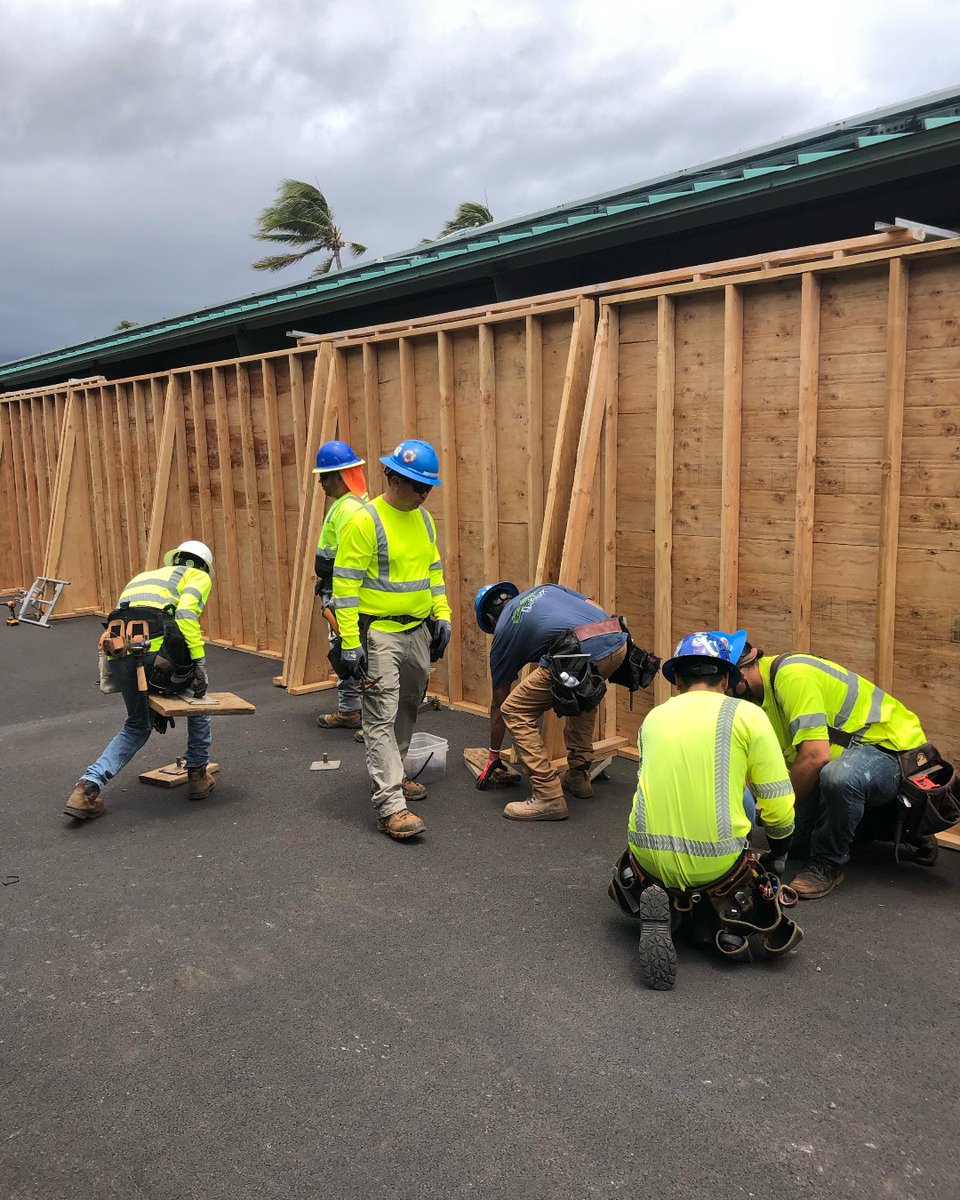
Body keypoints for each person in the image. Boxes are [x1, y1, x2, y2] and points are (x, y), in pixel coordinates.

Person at [608, 632, 801, 991]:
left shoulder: (654, 717)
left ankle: (667, 901)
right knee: (742, 807)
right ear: (726, 678)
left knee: (725, 798)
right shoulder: (746, 715)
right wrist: (779, 854)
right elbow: (777, 804)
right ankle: (721, 923)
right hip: (716, 863)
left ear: (677, 680)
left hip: (643, 855)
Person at [734, 641, 936, 899]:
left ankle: (829, 862)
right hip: (843, 760)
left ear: (739, 675)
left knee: (840, 778)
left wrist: (779, 805)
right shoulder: (759, 699)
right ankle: (889, 826)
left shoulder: (792, 676)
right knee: (792, 843)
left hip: (891, 751)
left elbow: (816, 757)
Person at [331, 439, 451, 840]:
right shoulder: (365, 521)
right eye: (419, 487)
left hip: (417, 629)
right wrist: (350, 641)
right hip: (380, 632)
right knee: (380, 714)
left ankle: (394, 777)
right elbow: (344, 587)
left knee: (408, 705)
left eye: (428, 488)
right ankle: (389, 806)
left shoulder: (424, 519)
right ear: (394, 478)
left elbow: (433, 570)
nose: (424, 494)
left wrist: (443, 615)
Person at [64, 540, 217, 822]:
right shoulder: (197, 575)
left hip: (119, 653)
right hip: (156, 654)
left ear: (175, 559)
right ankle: (197, 773)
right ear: (204, 565)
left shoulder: (144, 577)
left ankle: (86, 788)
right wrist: (199, 664)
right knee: (198, 702)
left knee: (137, 725)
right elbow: (185, 615)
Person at [475, 581, 653, 822]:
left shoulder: (503, 633)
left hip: (580, 649)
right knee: (582, 689)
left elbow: (499, 704)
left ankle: (548, 796)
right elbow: (595, 605)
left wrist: (494, 754)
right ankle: (578, 776)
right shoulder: (546, 589)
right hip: (618, 641)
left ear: (490, 618)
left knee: (514, 709)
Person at [312, 440, 368, 730]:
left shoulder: (348, 510)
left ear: (340, 476)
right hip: (335, 587)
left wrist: (331, 591)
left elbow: (348, 563)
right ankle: (355, 712)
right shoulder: (346, 506)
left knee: (347, 648)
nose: (321, 482)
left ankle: (360, 715)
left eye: (325, 476)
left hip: (341, 591)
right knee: (348, 647)